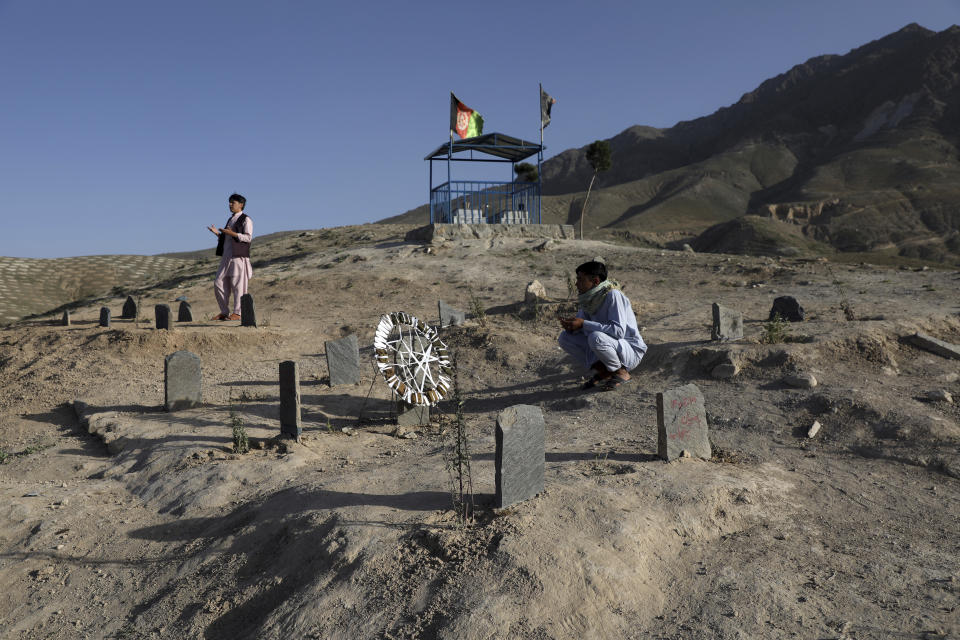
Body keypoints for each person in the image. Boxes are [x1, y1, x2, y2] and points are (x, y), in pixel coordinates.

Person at [558, 260, 647, 390]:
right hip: (608, 345)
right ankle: (604, 372)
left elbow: (618, 332)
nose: (576, 284)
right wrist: (573, 327)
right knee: (565, 338)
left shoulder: (613, 295)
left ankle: (622, 373)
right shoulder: (588, 299)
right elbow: (584, 327)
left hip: (629, 350)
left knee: (596, 337)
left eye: (580, 279)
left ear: (595, 281)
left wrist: (583, 324)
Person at [207, 193, 253, 321]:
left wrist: (232, 233)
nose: (230, 205)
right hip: (227, 257)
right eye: (230, 202)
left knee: (238, 285)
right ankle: (224, 311)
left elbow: (248, 238)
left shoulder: (246, 219)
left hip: (238, 256)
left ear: (241, 204)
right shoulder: (230, 219)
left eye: (233, 202)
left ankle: (238, 313)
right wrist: (218, 234)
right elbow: (228, 238)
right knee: (219, 283)